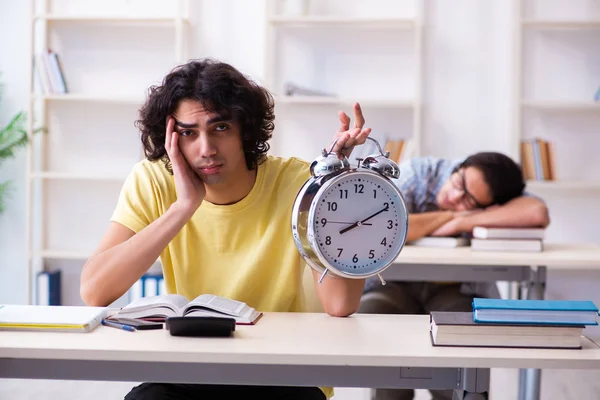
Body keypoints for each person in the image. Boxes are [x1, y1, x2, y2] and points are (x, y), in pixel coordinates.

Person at [79, 58, 373, 400]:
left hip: (283, 372)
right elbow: (94, 291)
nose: (206, 149)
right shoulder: (154, 180)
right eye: (188, 133)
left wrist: (333, 188)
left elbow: (340, 304)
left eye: (220, 128)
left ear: (244, 130)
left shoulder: (297, 183)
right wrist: (183, 207)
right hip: (188, 370)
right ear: (171, 139)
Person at [359, 152, 551, 400]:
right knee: (379, 326)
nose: (454, 196)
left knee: (463, 345)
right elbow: (383, 225)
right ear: (458, 167)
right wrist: (453, 215)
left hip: (453, 289)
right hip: (393, 284)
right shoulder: (419, 173)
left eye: (469, 202)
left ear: (491, 205)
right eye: (459, 183)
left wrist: (462, 224)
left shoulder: (500, 188)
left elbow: (537, 213)